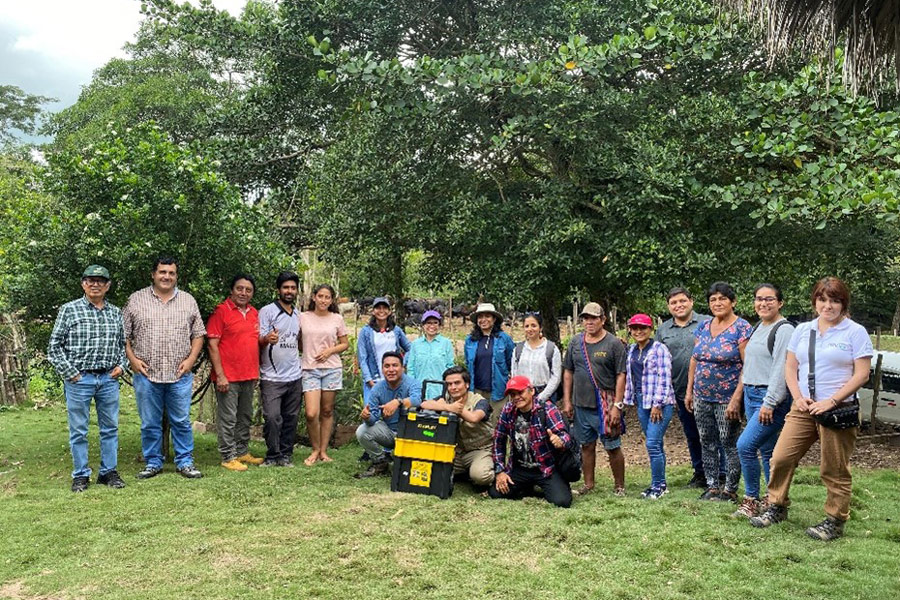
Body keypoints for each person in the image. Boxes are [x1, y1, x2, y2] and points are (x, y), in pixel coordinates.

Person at [751, 277, 872, 541]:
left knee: (834, 468)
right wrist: (798, 397)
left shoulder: (855, 332)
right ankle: (776, 505)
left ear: (843, 303)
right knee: (780, 458)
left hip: (837, 411)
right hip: (804, 407)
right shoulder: (803, 330)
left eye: (834, 301)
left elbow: (862, 374)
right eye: (822, 299)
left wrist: (832, 400)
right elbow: (790, 367)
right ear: (815, 301)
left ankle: (834, 520)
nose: (828, 306)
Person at [47, 265, 128, 492]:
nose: (95, 284)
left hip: (108, 379)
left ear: (108, 285)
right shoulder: (69, 310)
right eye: (90, 280)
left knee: (110, 428)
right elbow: (54, 348)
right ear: (83, 283)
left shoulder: (116, 313)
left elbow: (125, 345)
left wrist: (122, 366)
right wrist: (70, 372)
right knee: (79, 430)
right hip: (79, 380)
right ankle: (81, 475)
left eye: (101, 281)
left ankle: (108, 472)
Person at [124, 257, 206, 479]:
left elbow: (198, 334)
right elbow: (123, 336)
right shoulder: (136, 300)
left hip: (179, 375)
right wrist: (132, 359)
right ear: (153, 274)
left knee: (181, 421)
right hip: (146, 375)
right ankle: (153, 462)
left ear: (176, 276)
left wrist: (190, 361)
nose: (166, 276)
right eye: (162, 272)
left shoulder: (188, 301)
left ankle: (185, 462)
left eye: (171, 273)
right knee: (150, 422)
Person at [685, 282, 752, 502]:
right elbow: (695, 359)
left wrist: (736, 398)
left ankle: (730, 489)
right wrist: (689, 392)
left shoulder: (742, 328)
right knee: (707, 441)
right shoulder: (704, 327)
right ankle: (712, 486)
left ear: (733, 302)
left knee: (729, 443)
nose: (717, 303)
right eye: (713, 299)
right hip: (702, 395)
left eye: (722, 298)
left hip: (727, 398)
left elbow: (747, 366)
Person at [733, 284, 795, 518]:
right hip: (751, 393)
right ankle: (774, 501)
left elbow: (781, 369)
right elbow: (750, 364)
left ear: (780, 303)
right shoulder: (758, 327)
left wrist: (770, 402)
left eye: (770, 299)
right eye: (759, 299)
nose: (763, 303)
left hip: (769, 397)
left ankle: (751, 499)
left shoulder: (784, 329)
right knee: (767, 450)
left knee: (745, 446)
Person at [561, 302, 627, 496]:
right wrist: (567, 400)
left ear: (603, 320)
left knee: (612, 446)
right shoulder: (575, 342)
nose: (589, 322)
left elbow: (621, 375)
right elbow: (568, 372)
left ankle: (619, 486)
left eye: (594, 318)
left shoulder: (614, 344)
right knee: (586, 445)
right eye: (586, 318)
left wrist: (617, 405)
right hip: (581, 405)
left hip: (605, 405)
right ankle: (589, 484)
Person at [654, 287, 718, 488]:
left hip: (709, 390)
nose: (678, 305)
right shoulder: (663, 330)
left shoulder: (708, 322)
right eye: (674, 303)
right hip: (680, 391)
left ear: (691, 301)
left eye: (682, 301)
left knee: (714, 434)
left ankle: (720, 474)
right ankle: (700, 473)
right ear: (668, 306)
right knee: (692, 434)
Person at [207, 274, 264, 472]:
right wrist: (220, 375)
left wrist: (256, 372)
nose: (243, 293)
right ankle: (228, 455)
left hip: (248, 375)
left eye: (248, 290)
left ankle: (242, 451)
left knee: (245, 416)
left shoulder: (255, 313)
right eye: (239, 288)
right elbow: (212, 344)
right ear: (232, 290)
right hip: (228, 377)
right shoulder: (221, 311)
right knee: (228, 418)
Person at [489, 375, 573, 508]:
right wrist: (500, 471)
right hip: (520, 467)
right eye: (512, 394)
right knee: (495, 492)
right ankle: (527, 486)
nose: (516, 397)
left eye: (520, 392)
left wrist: (560, 441)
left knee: (562, 501)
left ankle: (554, 484)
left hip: (545, 468)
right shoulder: (508, 410)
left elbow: (565, 436)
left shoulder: (547, 408)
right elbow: (498, 441)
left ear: (531, 391)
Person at [624, 313, 676, 500]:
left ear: (650, 329)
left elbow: (664, 378)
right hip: (641, 401)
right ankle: (660, 483)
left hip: (659, 403)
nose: (638, 331)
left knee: (652, 443)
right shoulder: (631, 350)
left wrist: (658, 404)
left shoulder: (659, 349)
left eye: (643, 328)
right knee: (656, 444)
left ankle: (658, 486)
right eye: (635, 328)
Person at [300, 283, 349, 466]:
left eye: (327, 297)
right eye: (320, 296)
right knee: (312, 413)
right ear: (314, 297)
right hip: (309, 369)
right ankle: (314, 448)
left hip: (332, 369)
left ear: (332, 300)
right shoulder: (303, 317)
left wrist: (329, 351)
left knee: (327, 411)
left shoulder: (337, 318)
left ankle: (323, 451)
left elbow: (345, 344)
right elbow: (297, 340)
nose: (323, 300)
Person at [420, 366, 494, 487]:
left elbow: (474, 418)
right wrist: (448, 407)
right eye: (449, 384)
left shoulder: (479, 401)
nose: (453, 387)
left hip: (480, 450)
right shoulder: (446, 399)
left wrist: (458, 410)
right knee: (430, 468)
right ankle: (465, 473)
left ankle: (488, 469)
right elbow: (424, 404)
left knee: (480, 476)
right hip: (457, 452)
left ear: (467, 384)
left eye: (457, 383)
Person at [257, 271, 303, 467]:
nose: (289, 291)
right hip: (272, 377)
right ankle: (272, 454)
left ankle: (285, 454)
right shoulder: (267, 311)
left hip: (294, 375)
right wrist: (267, 338)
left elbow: (299, 341)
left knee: (291, 418)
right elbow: (259, 338)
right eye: (286, 287)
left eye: (293, 288)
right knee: (273, 417)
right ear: (278, 290)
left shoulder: (299, 315)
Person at [354, 352, 422, 478]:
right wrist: (367, 417)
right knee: (362, 431)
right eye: (387, 366)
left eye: (395, 365)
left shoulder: (413, 383)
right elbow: (372, 419)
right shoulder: (377, 389)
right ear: (382, 369)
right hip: (390, 433)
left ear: (402, 368)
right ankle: (380, 461)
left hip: (413, 434)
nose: (391, 370)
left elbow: (418, 401)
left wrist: (398, 402)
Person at [463, 302, 515, 425]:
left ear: (494, 319)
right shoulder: (470, 340)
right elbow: (468, 363)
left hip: (498, 389)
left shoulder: (504, 339)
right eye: (480, 317)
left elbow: (511, 362)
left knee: (498, 423)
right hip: (476, 389)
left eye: (487, 316)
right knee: (477, 424)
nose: (483, 320)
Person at [357, 297, 411, 406]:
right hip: (374, 379)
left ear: (390, 311)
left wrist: (402, 364)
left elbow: (410, 348)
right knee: (371, 412)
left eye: (385, 308)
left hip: (394, 379)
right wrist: (369, 380)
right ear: (373, 311)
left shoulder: (396, 331)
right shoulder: (366, 331)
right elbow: (362, 358)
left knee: (394, 412)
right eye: (378, 308)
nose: (381, 311)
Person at [510, 312, 562, 404]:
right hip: (523, 395)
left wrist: (542, 397)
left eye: (533, 325)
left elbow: (556, 376)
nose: (530, 329)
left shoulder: (551, 349)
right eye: (527, 326)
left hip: (546, 396)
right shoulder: (518, 349)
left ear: (540, 327)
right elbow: (515, 374)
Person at [406, 310, 455, 400]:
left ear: (440, 325)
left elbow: (450, 367)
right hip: (419, 392)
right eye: (428, 323)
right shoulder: (415, 344)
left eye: (435, 323)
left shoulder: (446, 343)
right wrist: (413, 388)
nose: (432, 326)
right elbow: (411, 368)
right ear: (423, 325)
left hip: (440, 391)